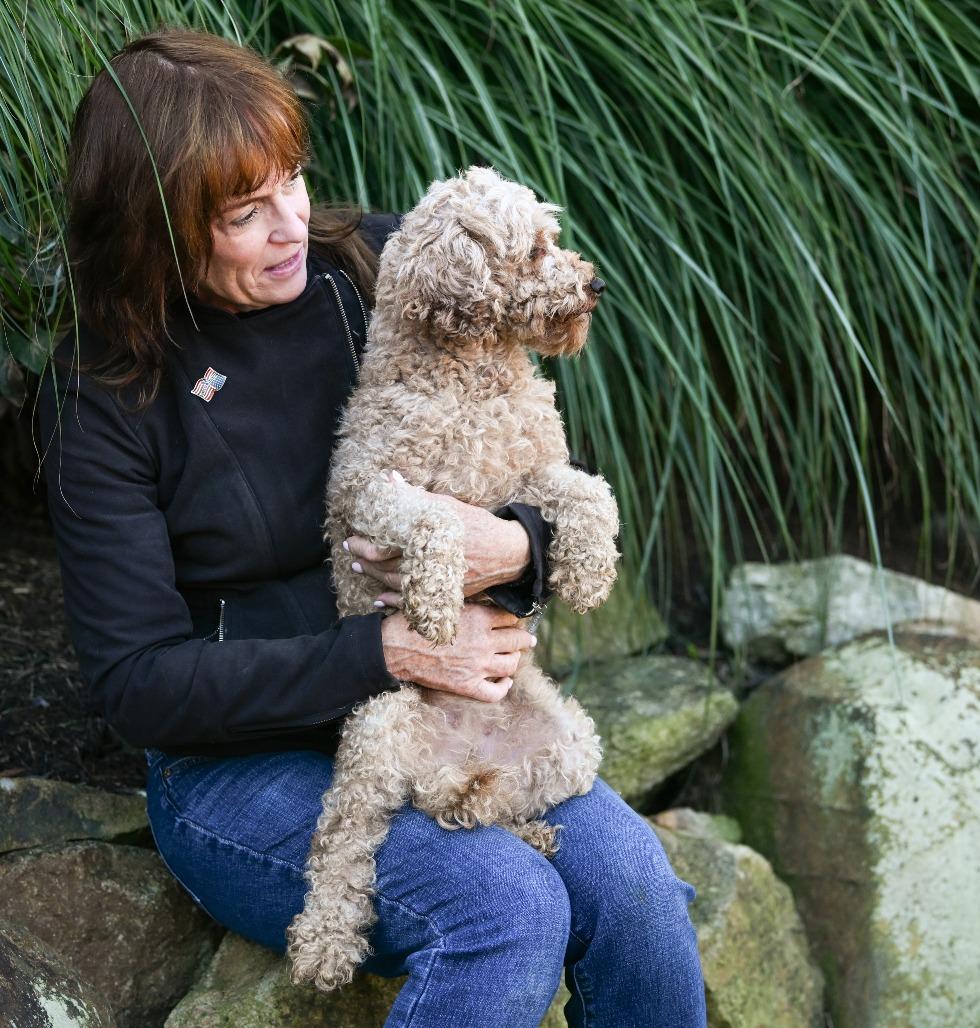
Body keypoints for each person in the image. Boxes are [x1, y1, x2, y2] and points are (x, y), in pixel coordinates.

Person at [38, 28, 707, 1028]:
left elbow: (533, 460)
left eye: (293, 181)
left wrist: (516, 544)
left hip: (453, 719)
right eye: (244, 211)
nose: (291, 224)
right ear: (157, 229)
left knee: (639, 891)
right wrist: (387, 650)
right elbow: (140, 685)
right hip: (239, 765)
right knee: (503, 905)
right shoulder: (104, 397)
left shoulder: (378, 269)